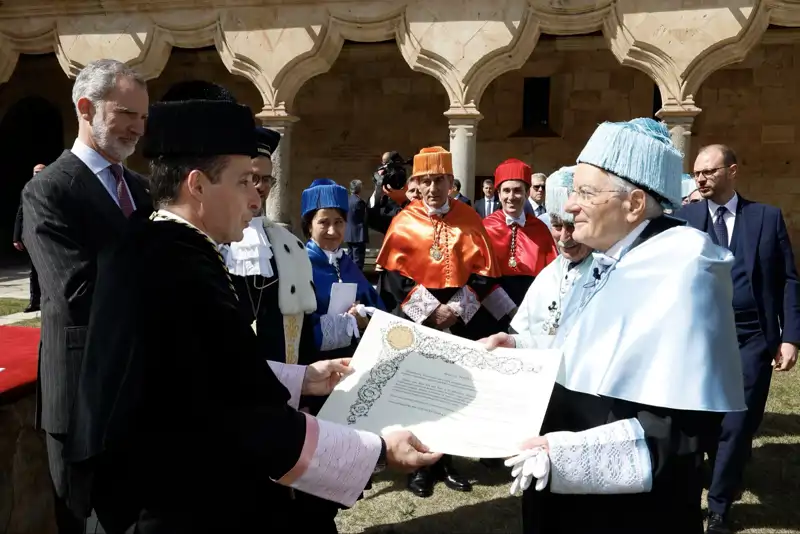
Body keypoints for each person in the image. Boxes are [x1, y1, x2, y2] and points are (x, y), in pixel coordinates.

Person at [64, 84, 441, 534]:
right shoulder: (180, 265)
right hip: (174, 505)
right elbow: (250, 420)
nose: (256, 199)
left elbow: (201, 373)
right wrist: (380, 450)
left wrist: (303, 377)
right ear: (198, 185)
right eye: (245, 181)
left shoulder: (148, 242)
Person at [482, 118, 746, 534]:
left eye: (585, 193)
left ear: (635, 203)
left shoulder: (685, 265)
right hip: (558, 473)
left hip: (624, 510)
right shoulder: (607, 256)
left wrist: (565, 454)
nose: (569, 205)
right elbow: (586, 347)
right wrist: (520, 345)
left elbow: (680, 429)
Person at [21, 58, 152, 534]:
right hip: (82, 400)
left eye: (143, 117)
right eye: (126, 115)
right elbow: (76, 291)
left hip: (143, 391)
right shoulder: (48, 190)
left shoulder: (140, 189)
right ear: (85, 107)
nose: (138, 129)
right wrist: (166, 281)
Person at [676, 144, 800, 534]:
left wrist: (790, 337)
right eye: (696, 173)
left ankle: (718, 507)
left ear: (733, 170)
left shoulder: (766, 218)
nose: (700, 179)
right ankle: (697, 485)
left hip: (750, 336)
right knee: (699, 421)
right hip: (697, 338)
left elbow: (788, 281)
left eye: (709, 172)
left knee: (738, 421)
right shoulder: (683, 219)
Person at [377, 146, 502, 498]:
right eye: (426, 181)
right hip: (417, 320)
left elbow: (483, 272)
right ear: (417, 184)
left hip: (459, 319)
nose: (433, 189)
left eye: (440, 181)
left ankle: (448, 460)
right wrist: (430, 311)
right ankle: (418, 466)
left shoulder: (469, 217)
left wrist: (456, 308)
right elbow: (393, 276)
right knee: (420, 391)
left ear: (451, 182)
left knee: (454, 392)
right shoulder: (404, 220)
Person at [297, 178, 386, 531]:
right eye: (323, 222)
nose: (332, 230)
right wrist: (338, 324)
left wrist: (365, 315)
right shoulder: (301, 264)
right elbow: (299, 328)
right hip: (317, 377)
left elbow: (376, 305)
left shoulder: (348, 263)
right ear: (309, 225)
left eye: (338, 221)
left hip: (350, 373)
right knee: (318, 456)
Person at [223, 125, 317, 365]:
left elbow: (303, 328)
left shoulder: (289, 244)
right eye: (253, 178)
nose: (261, 187)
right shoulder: (214, 239)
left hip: (284, 378)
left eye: (267, 179)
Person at [472, 158, 557, 339]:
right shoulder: (485, 227)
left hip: (530, 311)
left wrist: (525, 312)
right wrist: (510, 311)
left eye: (518, 190)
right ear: (499, 194)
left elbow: (550, 275)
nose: (511, 197)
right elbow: (478, 278)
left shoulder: (540, 229)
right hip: (491, 310)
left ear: (527, 193)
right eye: (506, 191)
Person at [509, 166, 593, 337]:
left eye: (572, 226)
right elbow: (524, 334)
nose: (563, 237)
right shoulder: (549, 274)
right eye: (557, 226)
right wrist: (513, 343)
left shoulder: (606, 273)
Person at [13, 163, 46, 312]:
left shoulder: (52, 187)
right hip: (33, 237)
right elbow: (21, 213)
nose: (38, 174)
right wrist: (16, 237)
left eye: (41, 172)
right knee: (34, 272)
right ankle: (35, 302)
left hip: (49, 236)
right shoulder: (27, 190)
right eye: (35, 172)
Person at [345, 179, 369, 270]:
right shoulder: (359, 202)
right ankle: (356, 278)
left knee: (350, 256)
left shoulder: (346, 201)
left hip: (349, 233)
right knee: (358, 259)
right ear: (359, 188)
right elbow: (364, 217)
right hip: (358, 234)